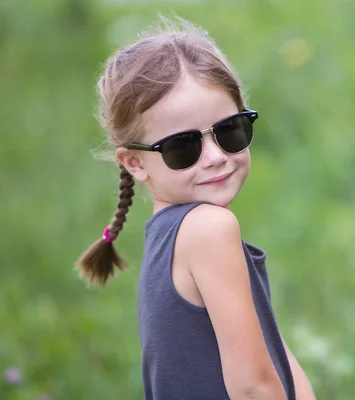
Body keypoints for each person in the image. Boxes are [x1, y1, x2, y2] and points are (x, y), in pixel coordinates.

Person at [76, 16, 315, 400]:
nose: (215, 157)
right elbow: (254, 388)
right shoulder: (208, 229)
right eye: (183, 147)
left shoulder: (173, 236)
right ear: (135, 163)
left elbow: (272, 352)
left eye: (229, 130)